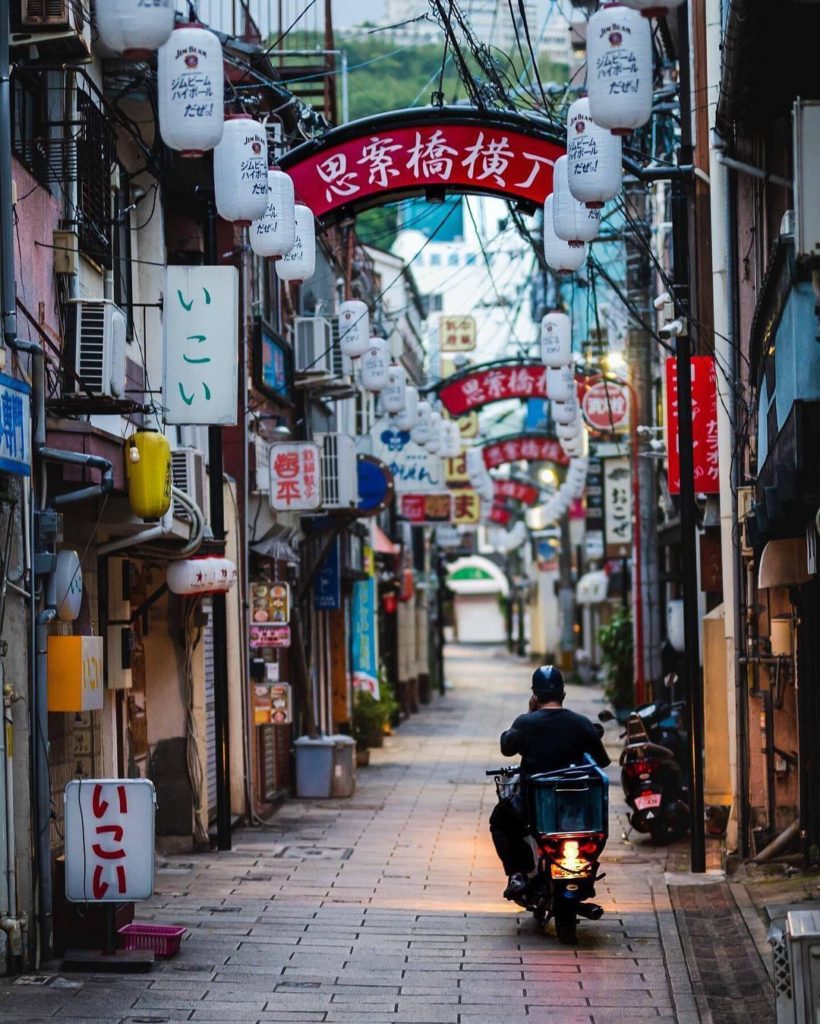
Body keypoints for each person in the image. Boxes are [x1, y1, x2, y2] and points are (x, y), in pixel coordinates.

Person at [489, 665, 611, 899]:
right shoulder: (581, 723)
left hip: (535, 809)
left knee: (500, 822)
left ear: (535, 695)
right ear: (563, 694)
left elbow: (507, 747)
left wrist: (528, 713)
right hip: (576, 808)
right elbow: (602, 762)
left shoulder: (526, 723)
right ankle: (585, 870)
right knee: (596, 832)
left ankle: (517, 874)